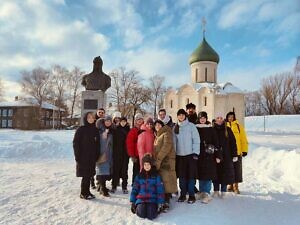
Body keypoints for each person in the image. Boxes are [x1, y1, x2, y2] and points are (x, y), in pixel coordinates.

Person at [173, 109, 200, 204]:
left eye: (182, 115)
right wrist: (174, 154)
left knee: (191, 176)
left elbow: (196, 140)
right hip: (180, 156)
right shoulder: (175, 127)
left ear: (185, 116)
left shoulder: (191, 126)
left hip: (190, 156)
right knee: (182, 176)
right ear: (177, 116)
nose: (181, 117)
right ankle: (183, 194)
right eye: (179, 115)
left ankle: (191, 195)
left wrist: (195, 153)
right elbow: (174, 142)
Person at [73, 112, 100, 200]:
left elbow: (97, 144)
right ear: (86, 119)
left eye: (92, 117)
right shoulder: (81, 129)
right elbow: (75, 143)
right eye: (89, 117)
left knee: (89, 175)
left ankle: (87, 191)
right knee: (85, 175)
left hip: (92, 157)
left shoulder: (95, 130)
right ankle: (83, 193)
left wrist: (97, 154)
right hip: (83, 157)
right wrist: (77, 156)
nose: (91, 119)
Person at [195, 111, 221, 204]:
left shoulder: (210, 129)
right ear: (199, 118)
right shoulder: (195, 128)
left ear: (206, 119)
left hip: (209, 155)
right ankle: (202, 192)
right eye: (201, 118)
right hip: (199, 154)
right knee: (201, 174)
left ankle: (207, 193)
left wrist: (218, 155)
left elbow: (216, 142)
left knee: (208, 174)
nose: (202, 120)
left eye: (204, 118)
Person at [130, 154, 165, 220]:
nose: (146, 166)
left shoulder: (156, 175)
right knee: (141, 213)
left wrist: (160, 203)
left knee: (151, 215)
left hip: (152, 199)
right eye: (145, 165)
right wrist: (133, 202)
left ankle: (153, 209)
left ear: (151, 165)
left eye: (148, 164)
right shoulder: (139, 176)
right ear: (143, 165)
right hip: (141, 199)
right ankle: (140, 207)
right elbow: (135, 189)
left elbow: (160, 189)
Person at [153, 120, 177, 212]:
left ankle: (166, 202)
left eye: (159, 124)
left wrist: (158, 159)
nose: (157, 126)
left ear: (162, 125)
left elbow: (166, 147)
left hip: (166, 161)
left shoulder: (166, 133)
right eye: (156, 125)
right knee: (162, 181)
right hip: (161, 161)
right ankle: (162, 200)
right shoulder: (158, 135)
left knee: (167, 181)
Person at [212, 113, 238, 198]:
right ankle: (216, 190)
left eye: (221, 118)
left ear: (223, 119)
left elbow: (233, 143)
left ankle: (223, 190)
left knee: (224, 173)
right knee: (215, 173)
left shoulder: (228, 130)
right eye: (217, 118)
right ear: (215, 119)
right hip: (215, 155)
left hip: (226, 155)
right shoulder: (212, 129)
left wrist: (234, 154)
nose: (219, 119)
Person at [226, 111, 248, 194]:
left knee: (237, 170)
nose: (230, 118)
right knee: (229, 170)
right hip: (228, 153)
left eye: (232, 117)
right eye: (229, 117)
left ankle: (236, 186)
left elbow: (243, 139)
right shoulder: (225, 126)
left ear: (234, 117)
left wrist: (244, 150)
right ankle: (230, 185)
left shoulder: (239, 127)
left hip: (238, 152)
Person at [95, 115, 114, 197]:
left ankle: (102, 186)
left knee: (105, 171)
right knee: (101, 170)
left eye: (109, 121)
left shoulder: (110, 130)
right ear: (104, 122)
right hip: (102, 153)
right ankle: (102, 188)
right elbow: (100, 143)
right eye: (106, 121)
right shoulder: (101, 131)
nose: (108, 122)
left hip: (109, 153)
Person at [111, 117, 130, 194]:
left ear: (126, 122)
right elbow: (113, 141)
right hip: (117, 153)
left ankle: (124, 186)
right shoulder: (116, 129)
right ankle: (114, 186)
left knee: (124, 170)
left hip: (125, 154)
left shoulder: (128, 130)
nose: (123, 123)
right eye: (122, 121)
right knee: (116, 170)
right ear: (119, 122)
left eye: (124, 121)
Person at [126, 113, 144, 185]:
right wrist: (132, 155)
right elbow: (129, 144)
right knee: (136, 170)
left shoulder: (145, 129)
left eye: (140, 119)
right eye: (137, 119)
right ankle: (135, 183)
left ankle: (142, 184)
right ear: (135, 121)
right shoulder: (133, 130)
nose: (139, 121)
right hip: (136, 154)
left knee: (143, 170)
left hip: (144, 154)